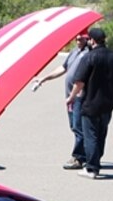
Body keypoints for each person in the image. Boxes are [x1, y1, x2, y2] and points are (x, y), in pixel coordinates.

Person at [65, 26, 113, 179]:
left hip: (90, 102)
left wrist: (71, 97)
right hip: (108, 103)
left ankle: (92, 168)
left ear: (92, 40)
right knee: (101, 133)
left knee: (90, 135)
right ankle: (96, 162)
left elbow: (79, 81)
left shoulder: (90, 57)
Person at [31, 30, 92, 170]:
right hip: (70, 96)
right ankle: (86, 155)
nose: (78, 41)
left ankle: (79, 157)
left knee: (78, 127)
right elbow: (63, 68)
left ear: (88, 39)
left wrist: (75, 95)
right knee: (74, 126)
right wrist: (44, 78)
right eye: (77, 38)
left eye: (82, 38)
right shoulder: (74, 52)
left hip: (80, 96)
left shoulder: (89, 54)